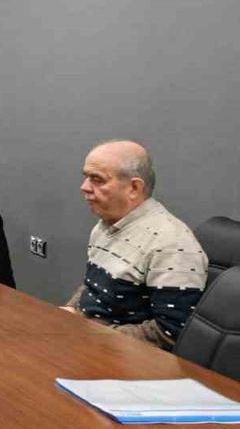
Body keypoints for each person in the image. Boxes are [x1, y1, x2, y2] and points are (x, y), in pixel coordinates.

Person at [60, 140, 207, 349]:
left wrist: (90, 335)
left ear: (134, 188)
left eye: (97, 179)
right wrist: (70, 310)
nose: (84, 187)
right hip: (91, 341)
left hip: (121, 356)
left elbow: (169, 333)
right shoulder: (106, 224)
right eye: (86, 177)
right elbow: (92, 287)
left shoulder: (171, 245)